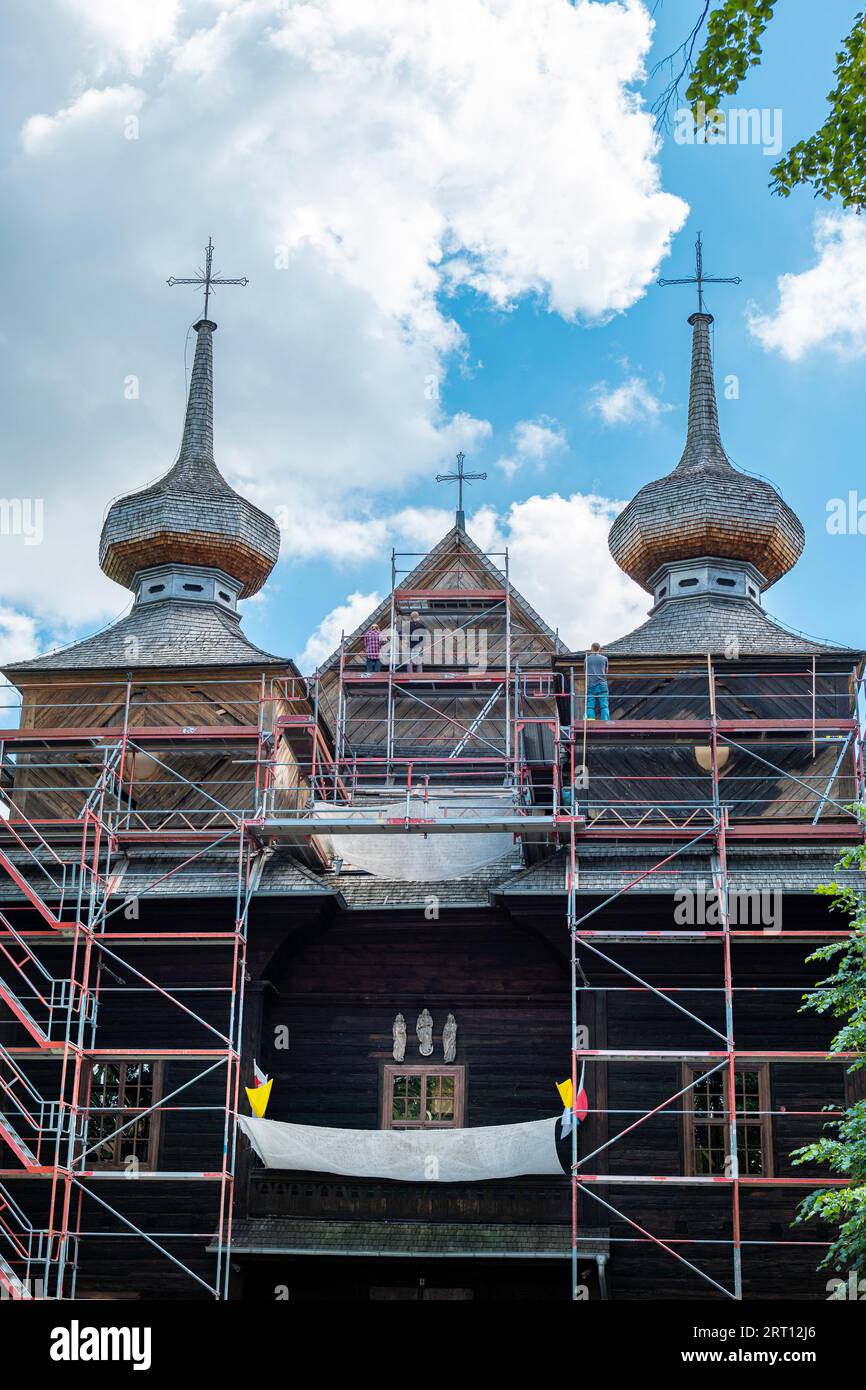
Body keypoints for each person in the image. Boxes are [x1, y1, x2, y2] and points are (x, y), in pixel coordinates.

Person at [585, 642, 609, 721]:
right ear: (599, 649)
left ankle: (590, 720)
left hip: (590, 684)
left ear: (591, 648)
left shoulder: (587, 659)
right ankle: (605, 720)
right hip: (602, 683)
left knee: (590, 705)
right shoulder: (604, 658)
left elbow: (585, 672)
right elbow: (606, 671)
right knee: (604, 704)